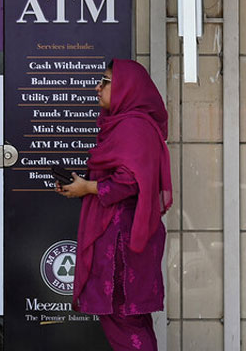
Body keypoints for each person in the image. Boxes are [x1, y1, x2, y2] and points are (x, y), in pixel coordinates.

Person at [55, 59, 172, 351]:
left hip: (122, 241)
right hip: (124, 234)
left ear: (125, 88)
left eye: (105, 81)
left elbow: (131, 181)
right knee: (131, 318)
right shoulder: (125, 125)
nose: (98, 87)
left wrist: (89, 187)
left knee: (122, 316)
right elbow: (123, 177)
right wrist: (80, 188)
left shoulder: (133, 126)